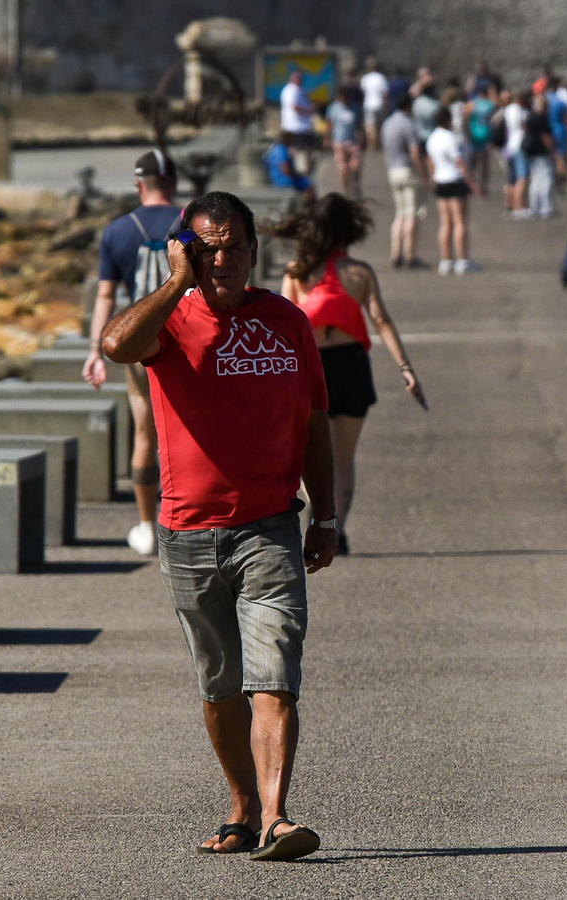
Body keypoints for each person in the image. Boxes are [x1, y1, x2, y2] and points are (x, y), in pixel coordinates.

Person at [99, 190, 335, 863]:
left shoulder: (287, 322)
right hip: (190, 534)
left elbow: (315, 425)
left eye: (234, 247)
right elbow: (116, 344)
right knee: (220, 686)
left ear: (256, 253)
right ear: (188, 251)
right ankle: (243, 807)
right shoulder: (169, 322)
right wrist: (178, 280)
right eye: (209, 247)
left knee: (275, 679)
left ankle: (278, 819)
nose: (223, 259)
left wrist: (328, 514)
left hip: (270, 529)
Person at [275, 194, 427, 553]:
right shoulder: (360, 272)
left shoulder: (297, 271)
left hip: (312, 367)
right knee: (343, 457)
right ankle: (336, 529)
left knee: (311, 452)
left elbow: (284, 326)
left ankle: (318, 519)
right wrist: (406, 368)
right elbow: (382, 320)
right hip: (352, 366)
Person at [83, 150, 183, 555]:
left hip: (140, 345)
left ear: (139, 185)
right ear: (173, 183)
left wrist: (95, 351)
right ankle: (191, 519)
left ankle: (146, 527)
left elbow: (104, 297)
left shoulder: (116, 231)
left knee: (145, 433)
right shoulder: (189, 224)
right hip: (188, 339)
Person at [425, 113, 481, 273]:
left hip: (440, 181)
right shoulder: (451, 138)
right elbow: (460, 162)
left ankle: (446, 260)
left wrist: (432, 177)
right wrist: (471, 182)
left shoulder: (432, 138)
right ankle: (463, 261)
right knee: (460, 222)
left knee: (445, 222)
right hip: (454, 180)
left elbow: (430, 161)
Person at [381, 94, 426, 268]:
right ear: (408, 106)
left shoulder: (388, 123)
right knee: (411, 213)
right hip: (407, 170)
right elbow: (415, 151)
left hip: (393, 170)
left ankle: (395, 253)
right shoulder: (408, 124)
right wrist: (422, 173)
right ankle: (409, 255)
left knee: (399, 214)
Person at [522, 92, 560, 219]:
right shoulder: (542, 119)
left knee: (535, 180)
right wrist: (553, 152)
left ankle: (535, 207)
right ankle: (546, 208)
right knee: (546, 180)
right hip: (540, 152)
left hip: (529, 151)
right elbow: (546, 138)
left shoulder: (530, 117)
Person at [493, 88, 528, 215]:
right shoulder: (521, 111)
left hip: (507, 148)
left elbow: (494, 121)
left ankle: (509, 206)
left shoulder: (505, 111)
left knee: (510, 179)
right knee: (522, 178)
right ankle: (519, 207)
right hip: (519, 146)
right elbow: (524, 127)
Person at [327, 84, 364, 198]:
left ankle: (355, 186)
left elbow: (359, 125)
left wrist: (361, 137)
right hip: (339, 143)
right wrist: (327, 139)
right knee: (343, 170)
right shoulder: (333, 109)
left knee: (355, 167)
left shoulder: (355, 108)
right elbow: (329, 125)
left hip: (352, 142)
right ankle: (346, 192)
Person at [279, 70, 317, 174]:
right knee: (299, 153)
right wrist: (309, 109)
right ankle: (300, 173)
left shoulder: (300, 89)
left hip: (302, 127)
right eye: (297, 77)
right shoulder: (291, 90)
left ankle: (301, 172)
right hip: (295, 127)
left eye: (300, 77)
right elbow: (294, 106)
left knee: (306, 152)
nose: (299, 80)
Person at [264, 131, 316, 208]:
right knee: (309, 186)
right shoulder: (282, 150)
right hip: (285, 181)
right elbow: (285, 169)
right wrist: (296, 174)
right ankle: (309, 209)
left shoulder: (273, 149)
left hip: (275, 179)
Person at [467, 87, 496, 189]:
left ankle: (472, 183)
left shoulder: (472, 104)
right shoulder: (490, 105)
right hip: (486, 135)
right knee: (484, 162)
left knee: (472, 162)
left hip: (474, 135)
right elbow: (493, 122)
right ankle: (483, 184)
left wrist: (467, 132)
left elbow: (465, 119)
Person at [359, 58, 388, 147]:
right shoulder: (382, 77)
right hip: (379, 104)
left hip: (368, 104)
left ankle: (372, 145)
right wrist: (386, 105)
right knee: (379, 126)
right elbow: (385, 93)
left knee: (370, 126)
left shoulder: (365, 78)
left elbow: (362, 92)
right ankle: (379, 144)